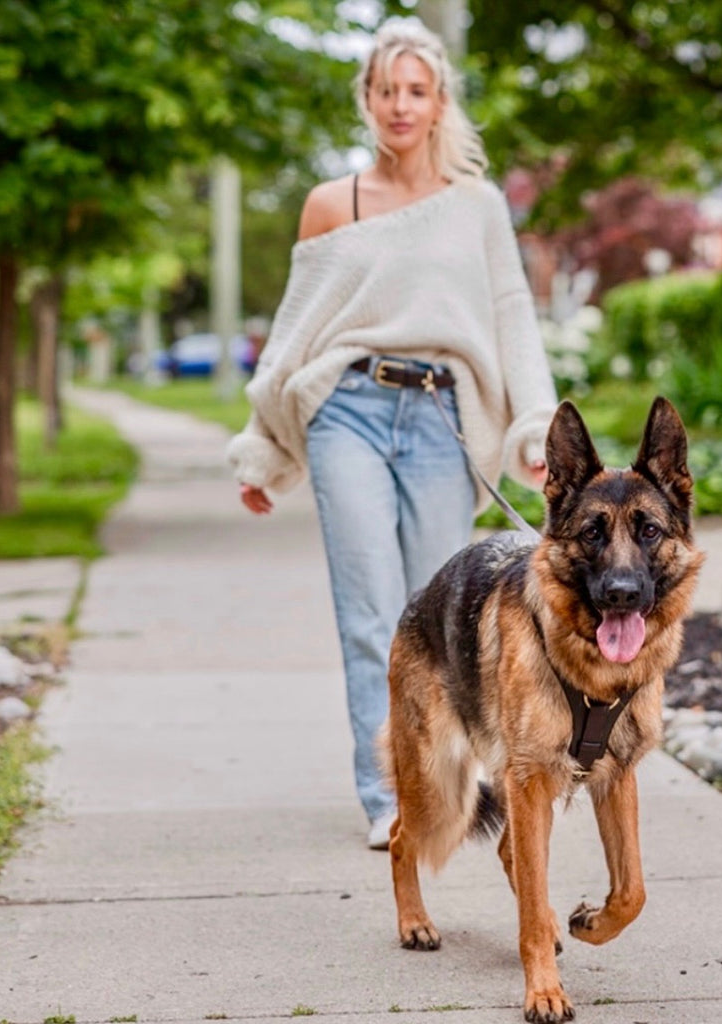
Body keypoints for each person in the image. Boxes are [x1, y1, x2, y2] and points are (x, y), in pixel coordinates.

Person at [227, 18, 557, 850]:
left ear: (439, 101)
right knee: (369, 611)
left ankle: (452, 783)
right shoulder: (330, 205)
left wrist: (536, 424)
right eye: (386, 90)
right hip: (348, 409)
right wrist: (264, 448)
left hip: (443, 415)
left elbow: (512, 315)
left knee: (442, 617)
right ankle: (390, 798)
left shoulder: (476, 206)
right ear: (366, 99)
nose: (400, 105)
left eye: (416, 91)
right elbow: (295, 331)